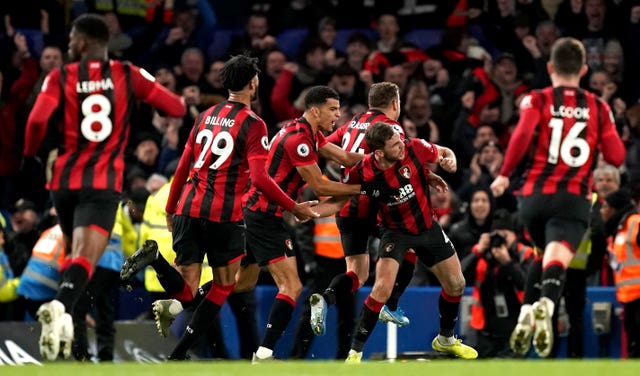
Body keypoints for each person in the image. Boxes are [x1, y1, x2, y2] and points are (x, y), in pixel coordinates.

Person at [119, 54, 320, 361]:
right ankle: (180, 351)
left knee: (187, 291)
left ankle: (157, 260)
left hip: (187, 206)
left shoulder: (205, 115)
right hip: (223, 215)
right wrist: (294, 206)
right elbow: (261, 178)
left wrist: (172, 209)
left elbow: (184, 165)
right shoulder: (254, 124)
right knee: (225, 285)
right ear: (253, 83)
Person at [22, 13, 187, 361]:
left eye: (70, 40)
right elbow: (175, 106)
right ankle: (61, 308)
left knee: (73, 254)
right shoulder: (127, 74)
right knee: (87, 256)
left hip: (63, 181)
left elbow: (36, 120)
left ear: (82, 43)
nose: (68, 46)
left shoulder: (60, 76)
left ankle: (70, 330)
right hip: (101, 182)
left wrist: (32, 154)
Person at [490, 37, 626, 358]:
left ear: (550, 67)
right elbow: (617, 157)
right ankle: (547, 304)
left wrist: (504, 174)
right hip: (573, 199)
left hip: (533, 198)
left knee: (543, 253)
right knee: (557, 258)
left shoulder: (535, 99)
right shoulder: (598, 106)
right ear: (584, 69)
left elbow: (522, 134)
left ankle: (527, 310)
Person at [243, 85, 389, 362]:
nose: (338, 115)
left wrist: (380, 161)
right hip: (266, 218)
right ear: (315, 110)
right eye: (333, 109)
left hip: (270, 217)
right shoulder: (299, 139)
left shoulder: (310, 134)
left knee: (235, 283)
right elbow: (319, 184)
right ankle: (265, 354)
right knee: (291, 287)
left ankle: (181, 302)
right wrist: (366, 188)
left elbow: (345, 157)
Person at [313, 122, 477, 362]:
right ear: (379, 152)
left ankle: (446, 339)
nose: (401, 146)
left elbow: (443, 151)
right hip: (395, 232)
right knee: (381, 289)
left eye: (400, 141)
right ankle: (355, 353)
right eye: (394, 144)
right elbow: (340, 201)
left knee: (457, 284)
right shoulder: (363, 171)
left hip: (427, 227)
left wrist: (448, 160)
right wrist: (310, 211)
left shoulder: (414, 148)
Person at [308, 82, 414, 336]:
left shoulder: (352, 123)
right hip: (376, 205)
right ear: (395, 104)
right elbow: (403, 161)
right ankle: (391, 304)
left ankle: (326, 298)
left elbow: (323, 145)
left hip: (346, 206)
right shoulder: (391, 129)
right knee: (410, 246)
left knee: (356, 273)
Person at [461, 209, 535, 358]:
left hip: (517, 328)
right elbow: (457, 276)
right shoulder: (483, 256)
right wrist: (477, 251)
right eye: (496, 236)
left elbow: (528, 284)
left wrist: (507, 263)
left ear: (514, 236)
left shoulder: (525, 254)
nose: (500, 240)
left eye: (504, 236)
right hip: (486, 331)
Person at [601, 189, 640, 358]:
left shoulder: (635, 223)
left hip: (638, 293)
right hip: (629, 295)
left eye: (605, 207)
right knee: (633, 344)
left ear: (615, 209)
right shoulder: (617, 230)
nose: (602, 211)